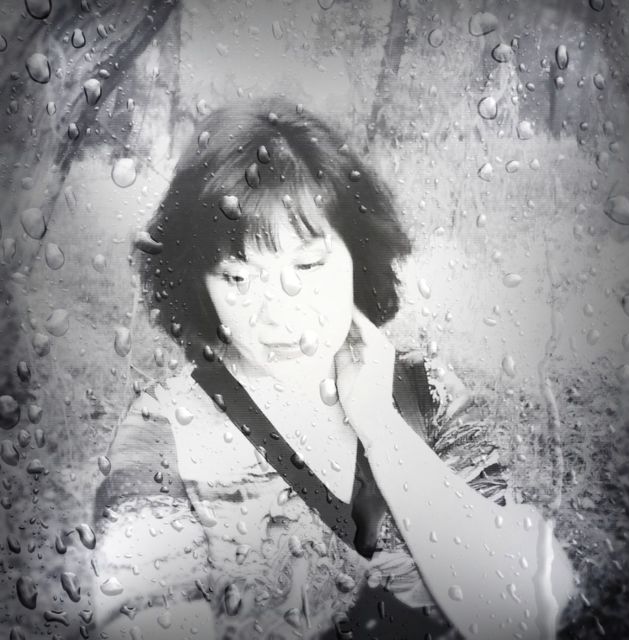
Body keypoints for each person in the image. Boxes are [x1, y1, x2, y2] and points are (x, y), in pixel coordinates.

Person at [91, 99, 576, 639]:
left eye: (307, 265)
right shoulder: (164, 432)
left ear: (357, 255)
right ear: (198, 282)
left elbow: (522, 615)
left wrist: (383, 429)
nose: (279, 312)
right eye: (237, 278)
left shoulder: (426, 392)